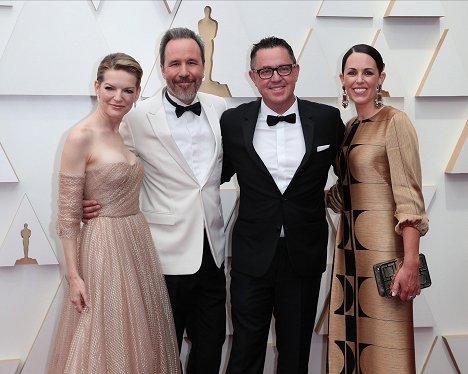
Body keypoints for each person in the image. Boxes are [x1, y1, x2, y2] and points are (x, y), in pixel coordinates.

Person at [82, 28, 227, 374]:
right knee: (161, 352)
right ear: (162, 68)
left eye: (192, 62)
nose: (184, 71)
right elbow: (108, 160)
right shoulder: (135, 116)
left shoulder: (221, 108)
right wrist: (90, 198)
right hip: (160, 254)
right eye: (175, 63)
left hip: (213, 252)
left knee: (211, 348)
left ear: (203, 66)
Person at [49, 53, 180, 373]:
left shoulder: (127, 132)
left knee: (140, 338)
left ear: (137, 94)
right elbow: (66, 215)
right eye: (110, 88)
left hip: (136, 242)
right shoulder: (80, 137)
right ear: (96, 86)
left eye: (128, 91)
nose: (118, 97)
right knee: (104, 336)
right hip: (102, 247)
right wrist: (74, 275)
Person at [221, 36, 345, 374]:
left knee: (296, 352)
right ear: (252, 77)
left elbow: (353, 176)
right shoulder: (233, 123)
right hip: (251, 256)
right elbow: (206, 177)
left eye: (283, 68)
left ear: (296, 71)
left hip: (303, 256)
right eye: (265, 71)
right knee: (245, 349)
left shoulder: (327, 120)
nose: (275, 77)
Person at [326, 44, 429, 374]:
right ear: (341, 79)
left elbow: (409, 198)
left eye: (368, 72)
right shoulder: (348, 128)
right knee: (354, 348)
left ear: (380, 78)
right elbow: (347, 191)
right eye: (352, 73)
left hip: (385, 259)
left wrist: (410, 263)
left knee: (387, 349)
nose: (359, 80)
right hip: (349, 257)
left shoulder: (395, 123)